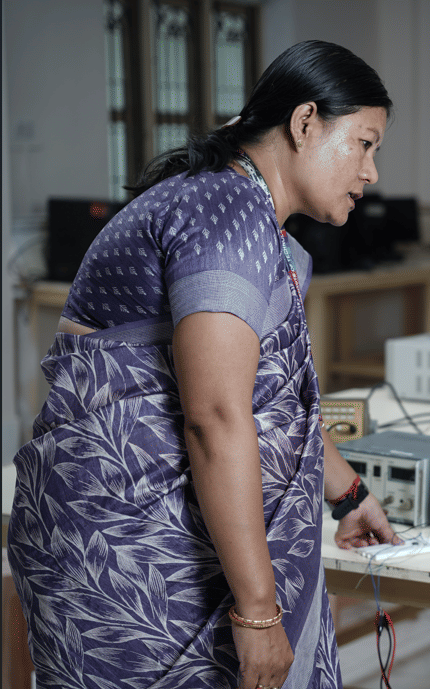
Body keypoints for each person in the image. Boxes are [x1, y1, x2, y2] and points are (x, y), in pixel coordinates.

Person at [8, 40, 402, 689]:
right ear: (305, 123)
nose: (371, 171)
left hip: (165, 547)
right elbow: (216, 416)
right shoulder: (227, 214)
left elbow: (261, 396)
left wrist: (349, 492)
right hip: (133, 558)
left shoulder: (240, 212)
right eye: (364, 143)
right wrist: (256, 614)